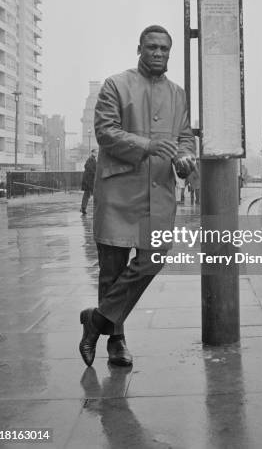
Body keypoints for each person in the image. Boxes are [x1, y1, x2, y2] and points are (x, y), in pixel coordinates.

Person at [79, 25, 196, 367]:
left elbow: (185, 137)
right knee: (111, 272)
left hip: (158, 194)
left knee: (154, 257)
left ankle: (96, 321)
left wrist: (186, 158)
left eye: (164, 49)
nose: (158, 54)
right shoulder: (116, 85)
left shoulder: (178, 94)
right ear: (139, 49)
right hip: (118, 193)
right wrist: (147, 145)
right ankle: (116, 341)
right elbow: (105, 131)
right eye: (152, 48)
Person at [80, 149, 97, 214]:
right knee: (93, 194)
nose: (96, 153)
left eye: (96, 152)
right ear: (92, 153)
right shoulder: (91, 159)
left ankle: (83, 208)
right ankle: (83, 208)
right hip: (89, 181)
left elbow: (87, 167)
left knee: (87, 194)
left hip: (88, 180)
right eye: (95, 152)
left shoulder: (91, 159)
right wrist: (95, 174)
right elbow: (91, 169)